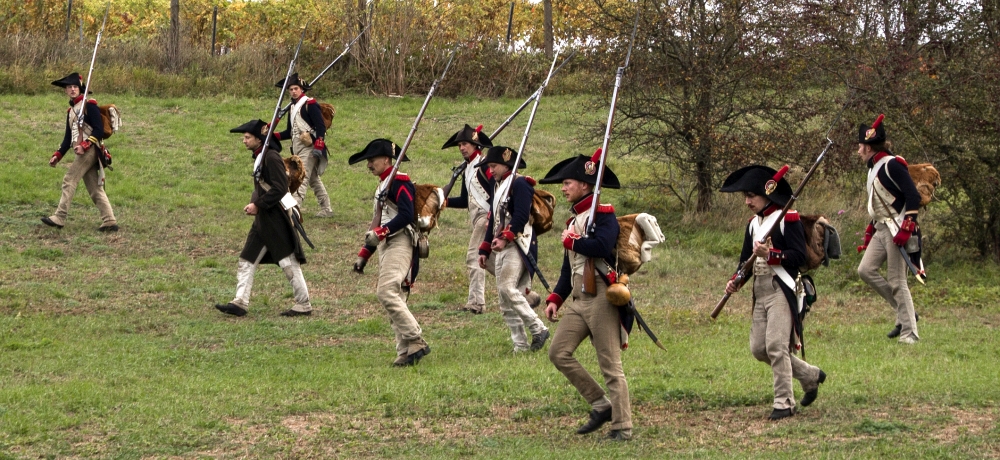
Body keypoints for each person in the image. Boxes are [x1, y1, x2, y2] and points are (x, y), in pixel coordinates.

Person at [721, 165, 826, 421]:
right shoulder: (752, 226)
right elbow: (744, 261)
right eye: (745, 196)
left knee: (777, 346)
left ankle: (784, 402)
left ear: (766, 194)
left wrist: (772, 255)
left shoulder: (786, 218)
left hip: (783, 288)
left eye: (751, 196)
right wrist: (736, 281)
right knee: (759, 348)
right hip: (760, 290)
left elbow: (799, 256)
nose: (747, 201)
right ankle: (809, 375)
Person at [539, 153, 632, 440]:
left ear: (584, 185)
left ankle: (623, 426)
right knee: (558, 352)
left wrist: (575, 241)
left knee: (610, 366)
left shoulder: (602, 214)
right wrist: (556, 297)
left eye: (567, 183)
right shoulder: (576, 219)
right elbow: (570, 268)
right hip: (579, 299)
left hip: (602, 297)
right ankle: (600, 404)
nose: (563, 188)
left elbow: (603, 247)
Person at [215, 119, 313, 318]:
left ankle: (303, 304)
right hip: (264, 219)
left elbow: (279, 188)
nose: (244, 140)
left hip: (275, 218)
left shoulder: (271, 157)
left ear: (259, 139)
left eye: (248, 137)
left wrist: (258, 204)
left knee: (288, 262)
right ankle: (240, 302)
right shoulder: (260, 156)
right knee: (247, 260)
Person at [350, 139, 430, 367]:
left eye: (372, 160)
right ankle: (405, 351)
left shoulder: (399, 181)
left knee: (386, 292)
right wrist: (364, 254)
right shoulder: (383, 185)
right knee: (396, 297)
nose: (368, 165)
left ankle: (415, 338)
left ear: (386, 159)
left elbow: (405, 215)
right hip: (388, 242)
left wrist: (383, 232)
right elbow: (377, 221)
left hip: (401, 241)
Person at [855, 114, 922, 344]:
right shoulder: (872, 168)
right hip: (881, 227)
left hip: (897, 228)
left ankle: (909, 333)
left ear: (869, 147)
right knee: (865, 270)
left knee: (896, 281)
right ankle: (906, 314)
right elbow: (879, 202)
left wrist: (907, 227)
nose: (858, 151)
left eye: (861, 146)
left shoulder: (893, 164)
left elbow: (913, 196)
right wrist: (869, 230)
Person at [476, 146, 549, 353]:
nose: (490, 171)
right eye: (489, 166)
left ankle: (538, 328)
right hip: (502, 245)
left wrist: (506, 237)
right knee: (504, 299)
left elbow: (521, 216)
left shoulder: (520, 183)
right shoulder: (499, 185)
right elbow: (494, 219)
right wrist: (484, 248)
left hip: (518, 243)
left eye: (494, 166)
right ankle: (520, 345)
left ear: (506, 163)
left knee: (508, 288)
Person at [42, 72, 118, 232]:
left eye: (75, 86)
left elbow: (97, 130)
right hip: (82, 151)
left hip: (90, 150)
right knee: (95, 189)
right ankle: (109, 220)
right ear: (65, 90)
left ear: (80, 89)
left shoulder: (89, 105)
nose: (72, 89)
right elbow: (67, 139)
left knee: (69, 179)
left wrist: (84, 144)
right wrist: (57, 155)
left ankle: (60, 217)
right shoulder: (71, 112)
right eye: (69, 87)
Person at [441, 124, 494, 314]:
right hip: (480, 218)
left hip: (486, 217)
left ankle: (476, 303)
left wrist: (493, 215)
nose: (462, 148)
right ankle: (523, 292)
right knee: (489, 260)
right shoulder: (468, 169)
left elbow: (497, 191)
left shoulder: (485, 165)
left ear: (475, 144)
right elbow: (465, 200)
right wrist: (443, 202)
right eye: (460, 145)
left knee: (474, 256)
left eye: (465, 144)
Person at [273, 73, 333, 217]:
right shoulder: (293, 107)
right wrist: (271, 136)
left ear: (301, 89)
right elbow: (289, 132)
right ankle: (327, 208)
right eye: (291, 89)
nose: (293, 91)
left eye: (296, 88)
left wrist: (319, 145)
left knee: (300, 178)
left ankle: (294, 209)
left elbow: (320, 127)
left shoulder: (310, 104)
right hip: (298, 147)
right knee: (313, 179)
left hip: (310, 148)